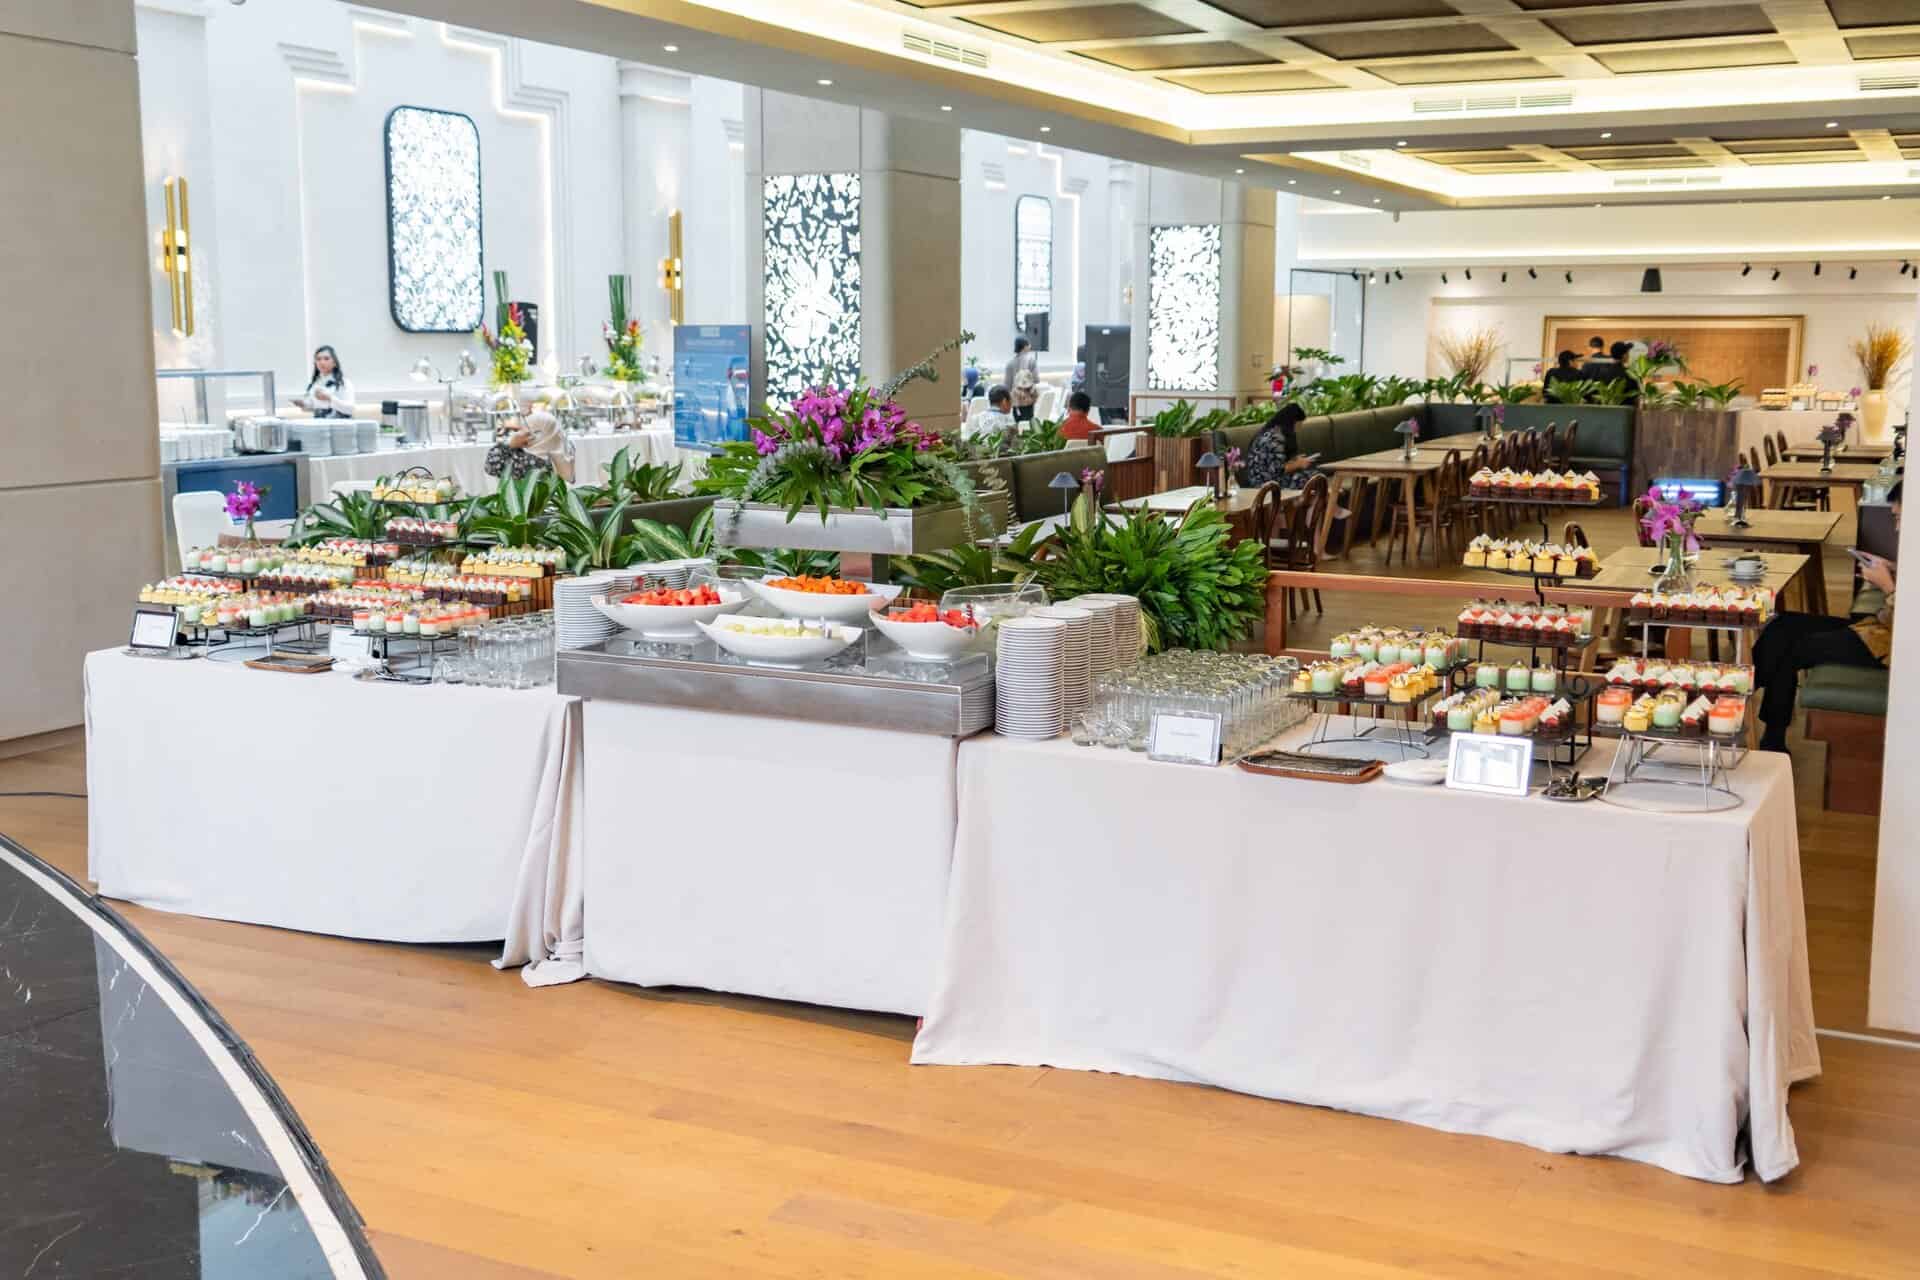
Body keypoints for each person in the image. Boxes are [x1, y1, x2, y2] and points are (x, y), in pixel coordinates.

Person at [1753, 480, 1899, 751]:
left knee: (1790, 650)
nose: (1898, 527)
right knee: (1784, 623)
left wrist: (1887, 586)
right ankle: (1747, 686)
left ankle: (1769, 731)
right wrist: (1892, 568)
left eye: (1899, 518)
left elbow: (1908, 623)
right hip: (1877, 629)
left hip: (1887, 646)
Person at [1241, 403, 1318, 490]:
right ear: (1291, 422)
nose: (1299, 428)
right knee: (1312, 478)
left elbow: (1275, 463)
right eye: (1298, 424)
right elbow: (1278, 470)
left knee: (1313, 477)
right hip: (1265, 483)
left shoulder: (1272, 431)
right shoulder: (1275, 438)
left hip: (1264, 478)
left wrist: (1294, 461)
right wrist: (1298, 464)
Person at [295, 345, 356, 418]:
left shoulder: (344, 382)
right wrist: (304, 405)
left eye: (326, 359)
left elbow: (350, 409)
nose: (322, 362)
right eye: (318, 359)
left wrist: (329, 398)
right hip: (319, 423)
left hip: (339, 423)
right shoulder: (315, 383)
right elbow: (315, 407)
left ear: (334, 362)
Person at [1005, 337, 1040, 423]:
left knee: (1017, 423)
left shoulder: (1010, 363)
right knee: (1028, 425)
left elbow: (1007, 385)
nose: (1030, 346)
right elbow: (1036, 379)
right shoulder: (1031, 360)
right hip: (1028, 399)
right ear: (1025, 346)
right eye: (1028, 344)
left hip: (1015, 400)